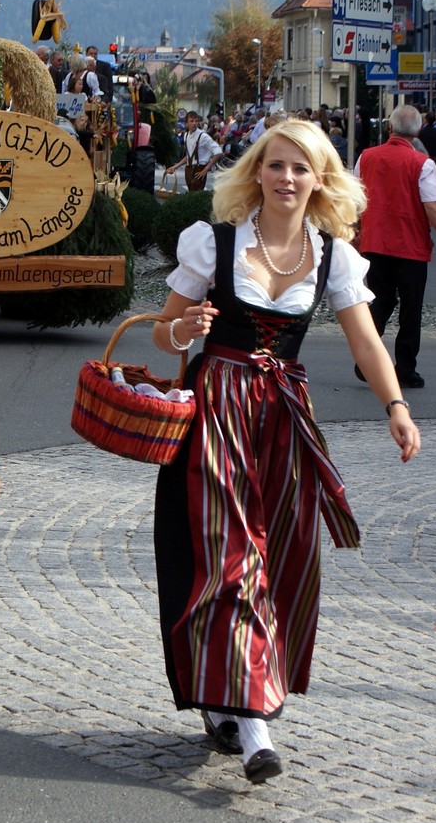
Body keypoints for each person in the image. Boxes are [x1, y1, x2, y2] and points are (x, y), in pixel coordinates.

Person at [151, 119, 420, 785]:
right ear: (256, 172)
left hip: (283, 421)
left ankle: (226, 696)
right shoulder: (211, 244)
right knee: (227, 555)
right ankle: (254, 727)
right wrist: (182, 326)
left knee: (277, 556)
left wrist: (395, 407)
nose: (286, 179)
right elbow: (162, 331)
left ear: (320, 179)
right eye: (275, 165)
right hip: (214, 412)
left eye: (300, 168)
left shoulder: (334, 256)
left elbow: (365, 344)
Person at [354, 105, 436, 390]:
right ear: (418, 131)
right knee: (411, 308)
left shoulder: (367, 157)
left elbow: (354, 197)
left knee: (380, 302)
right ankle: (406, 369)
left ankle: (366, 360)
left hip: (374, 243)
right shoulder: (422, 163)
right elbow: (431, 206)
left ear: (389, 128)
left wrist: (354, 230)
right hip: (410, 246)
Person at [165, 111, 222, 191]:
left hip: (199, 169)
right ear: (186, 123)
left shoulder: (203, 136)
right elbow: (189, 156)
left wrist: (206, 169)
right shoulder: (186, 135)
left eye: (196, 121)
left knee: (194, 194)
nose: (194, 123)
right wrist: (175, 167)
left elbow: (218, 152)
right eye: (191, 121)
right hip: (188, 169)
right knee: (191, 193)